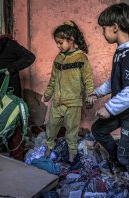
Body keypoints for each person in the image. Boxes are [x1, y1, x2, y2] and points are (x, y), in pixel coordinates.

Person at [87, 3, 129, 197]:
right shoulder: (122, 51)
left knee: (126, 153)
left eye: (104, 28)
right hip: (125, 107)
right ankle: (118, 161)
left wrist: (108, 108)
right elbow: (115, 81)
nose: (102, 32)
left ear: (115, 27)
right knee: (98, 129)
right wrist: (96, 93)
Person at [0, 17, 36, 161]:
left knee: (14, 122)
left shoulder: (8, 44)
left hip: (10, 91)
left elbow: (30, 57)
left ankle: (17, 156)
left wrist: (11, 69)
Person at [43, 20, 94, 163]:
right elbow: (53, 79)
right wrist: (48, 94)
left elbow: (88, 79)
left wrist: (90, 94)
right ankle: (48, 149)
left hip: (73, 103)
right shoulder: (58, 58)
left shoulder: (81, 57)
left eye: (60, 42)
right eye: (57, 43)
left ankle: (72, 154)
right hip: (57, 102)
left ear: (71, 39)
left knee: (72, 131)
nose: (58, 46)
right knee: (51, 127)